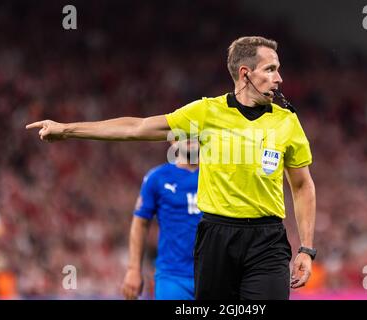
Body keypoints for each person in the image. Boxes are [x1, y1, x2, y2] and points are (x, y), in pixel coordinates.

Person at [26, 36, 317, 300]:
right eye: (270, 69)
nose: (279, 78)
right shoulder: (206, 113)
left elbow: (302, 185)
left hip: (267, 241)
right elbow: (137, 128)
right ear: (245, 74)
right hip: (217, 237)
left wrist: (305, 248)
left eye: (277, 69)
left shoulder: (287, 122)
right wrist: (67, 129)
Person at [122, 139, 201, 300]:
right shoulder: (157, 178)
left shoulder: (219, 176)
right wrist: (133, 269)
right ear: (172, 140)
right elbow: (141, 223)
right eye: (183, 132)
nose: (190, 137)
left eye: (195, 131)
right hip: (172, 277)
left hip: (216, 274)